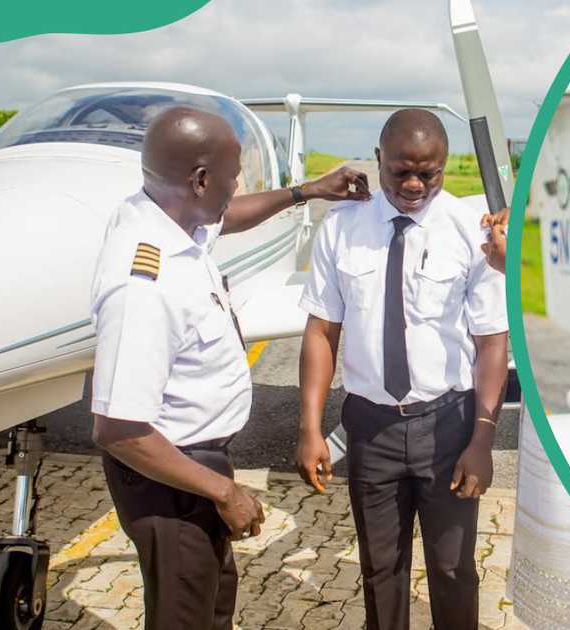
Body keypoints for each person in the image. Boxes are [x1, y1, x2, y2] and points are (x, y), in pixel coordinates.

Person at [90, 105, 370, 629]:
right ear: (199, 180)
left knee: (212, 603)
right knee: (185, 616)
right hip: (171, 480)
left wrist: (307, 190)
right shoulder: (144, 287)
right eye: (232, 173)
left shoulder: (166, 215)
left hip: (191, 470)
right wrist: (226, 492)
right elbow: (119, 429)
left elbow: (228, 215)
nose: (237, 185)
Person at [295, 108, 509, 630]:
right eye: (400, 171)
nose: (414, 184)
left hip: (448, 425)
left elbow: (491, 343)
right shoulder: (341, 228)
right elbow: (322, 331)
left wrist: (482, 439)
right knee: (380, 569)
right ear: (378, 160)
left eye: (428, 173)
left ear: (445, 165)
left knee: (454, 567)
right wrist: (309, 427)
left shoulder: (473, 232)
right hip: (371, 427)